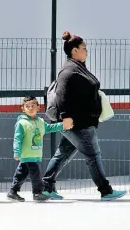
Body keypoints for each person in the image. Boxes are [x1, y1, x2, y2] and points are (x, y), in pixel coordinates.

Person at [42, 31, 127, 201]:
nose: (86, 51)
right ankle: (106, 190)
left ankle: (46, 187)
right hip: (78, 124)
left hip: (77, 123)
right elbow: (62, 95)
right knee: (93, 156)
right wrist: (65, 117)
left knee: (62, 154)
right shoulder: (68, 71)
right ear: (74, 50)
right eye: (84, 48)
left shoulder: (78, 67)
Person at [7, 96, 64, 202]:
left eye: (33, 106)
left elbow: (49, 128)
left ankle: (12, 192)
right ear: (23, 109)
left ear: (38, 107)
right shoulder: (22, 123)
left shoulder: (40, 122)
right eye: (27, 106)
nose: (30, 108)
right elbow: (17, 139)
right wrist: (16, 151)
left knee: (21, 173)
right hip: (27, 154)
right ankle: (37, 193)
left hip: (34, 154)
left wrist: (63, 125)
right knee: (35, 172)